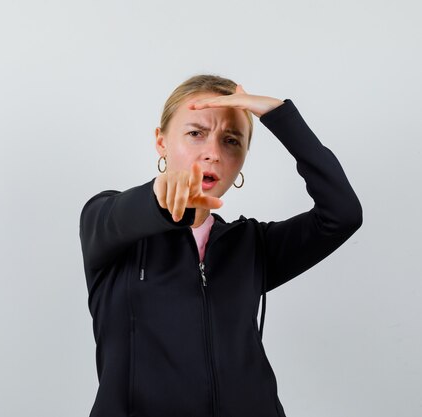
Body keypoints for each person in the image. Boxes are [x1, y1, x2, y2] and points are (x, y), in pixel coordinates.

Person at [78, 74, 362, 417]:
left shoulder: (252, 246)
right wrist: (162, 197)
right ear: (161, 142)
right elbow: (122, 215)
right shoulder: (107, 225)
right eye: (195, 133)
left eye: (231, 140)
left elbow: (342, 214)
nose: (213, 153)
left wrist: (278, 115)